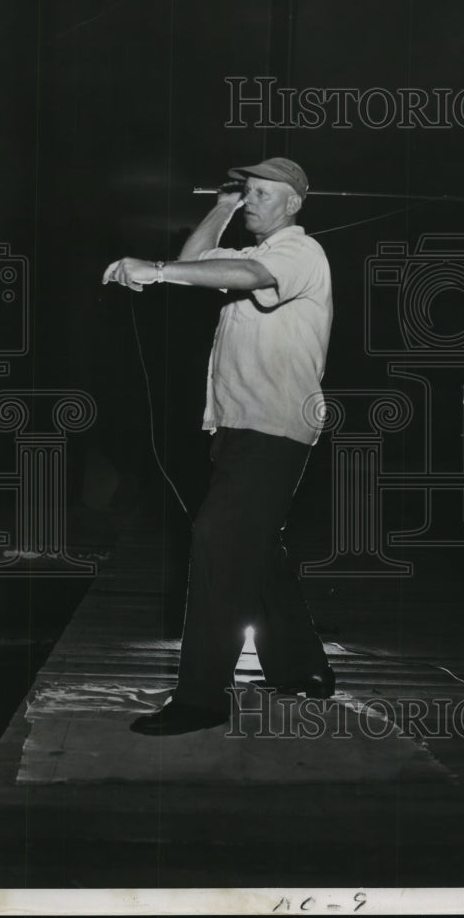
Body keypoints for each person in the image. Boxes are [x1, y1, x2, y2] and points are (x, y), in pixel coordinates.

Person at [102, 156, 335, 735]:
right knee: (252, 545)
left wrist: (152, 270)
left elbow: (237, 278)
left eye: (263, 193)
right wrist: (221, 207)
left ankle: (202, 699)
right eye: (248, 191)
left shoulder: (299, 253)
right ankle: (302, 666)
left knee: (217, 539)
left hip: (275, 426)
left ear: (294, 205)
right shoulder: (252, 252)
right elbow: (192, 265)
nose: (253, 199)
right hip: (237, 425)